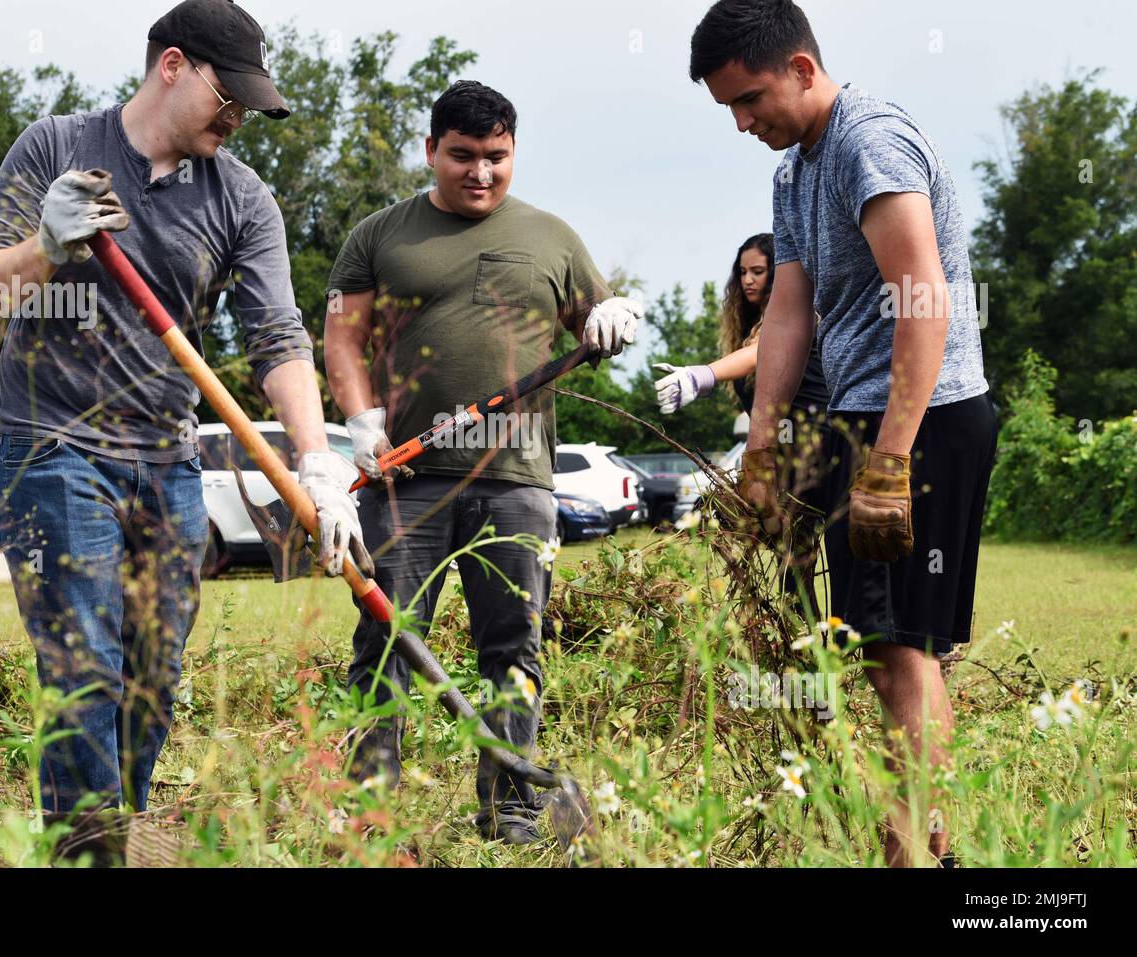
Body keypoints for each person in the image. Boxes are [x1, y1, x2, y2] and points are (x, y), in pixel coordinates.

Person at [0, 0, 368, 816]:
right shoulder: (55, 149)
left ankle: (124, 821)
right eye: (231, 98)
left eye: (252, 105)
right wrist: (45, 245)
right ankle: (90, 845)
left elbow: (278, 338)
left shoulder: (243, 200)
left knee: (152, 680)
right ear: (172, 65)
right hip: (52, 448)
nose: (240, 119)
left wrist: (318, 462)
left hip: (166, 460)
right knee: (84, 669)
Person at [689, 0, 997, 866]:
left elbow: (924, 301)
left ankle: (914, 850)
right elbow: (787, 315)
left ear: (801, 67)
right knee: (885, 643)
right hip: (862, 415)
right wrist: (762, 448)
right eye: (729, 110)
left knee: (900, 645)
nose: (745, 123)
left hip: (924, 415)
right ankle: (928, 839)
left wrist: (890, 459)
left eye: (750, 100)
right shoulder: (793, 174)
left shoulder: (870, 141)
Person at [324, 80, 638, 845]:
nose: (480, 173)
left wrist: (609, 316)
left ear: (513, 152)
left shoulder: (552, 238)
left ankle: (512, 808)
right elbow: (340, 338)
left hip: (516, 484)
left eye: (496, 157)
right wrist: (361, 421)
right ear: (431, 149)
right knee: (387, 640)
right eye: (462, 156)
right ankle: (373, 810)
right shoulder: (379, 235)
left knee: (514, 646)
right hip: (405, 481)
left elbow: (592, 319)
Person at [653, 233, 834, 616]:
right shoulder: (750, 326)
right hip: (783, 461)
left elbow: (760, 353)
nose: (748, 280)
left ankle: (829, 650)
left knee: (808, 565)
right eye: (743, 272)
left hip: (821, 452)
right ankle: (808, 654)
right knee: (791, 569)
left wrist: (702, 375)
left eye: (759, 271)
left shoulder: (796, 316)